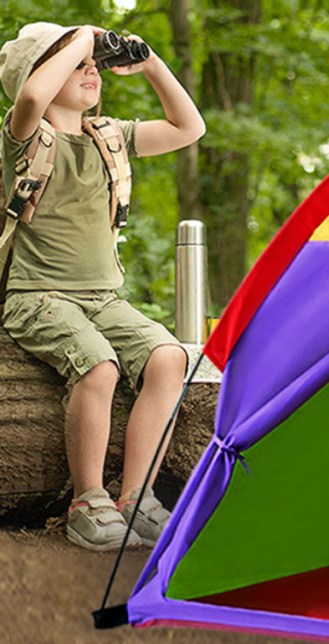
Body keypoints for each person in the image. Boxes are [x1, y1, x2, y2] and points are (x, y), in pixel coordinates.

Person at [0, 23, 205, 551]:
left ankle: (136, 497)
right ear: (45, 71)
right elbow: (30, 96)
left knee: (167, 357)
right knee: (98, 364)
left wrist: (152, 64)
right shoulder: (25, 138)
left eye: (93, 63)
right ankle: (87, 499)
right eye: (75, 64)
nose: (91, 68)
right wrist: (81, 41)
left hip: (102, 299)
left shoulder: (109, 136)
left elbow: (189, 128)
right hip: (37, 297)